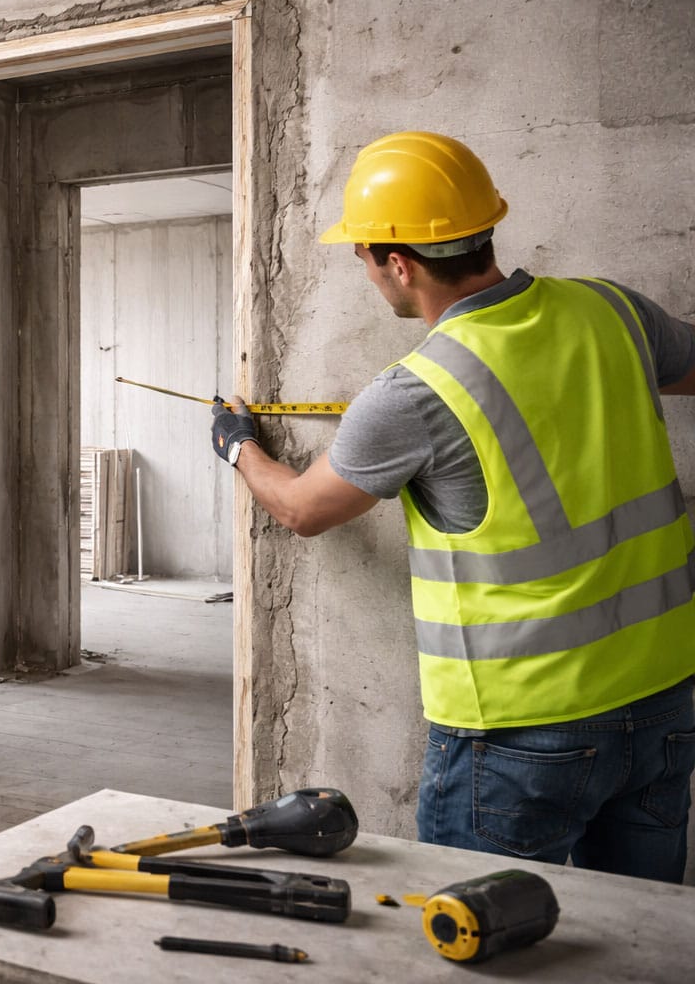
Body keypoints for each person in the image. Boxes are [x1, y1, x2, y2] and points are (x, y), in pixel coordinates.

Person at [209, 131, 695, 882]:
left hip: (519, 736)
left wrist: (240, 447)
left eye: (363, 256)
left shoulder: (415, 391)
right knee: (636, 944)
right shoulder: (614, 313)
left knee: (471, 936)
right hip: (664, 701)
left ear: (398, 263)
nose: (366, 270)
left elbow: (304, 510)